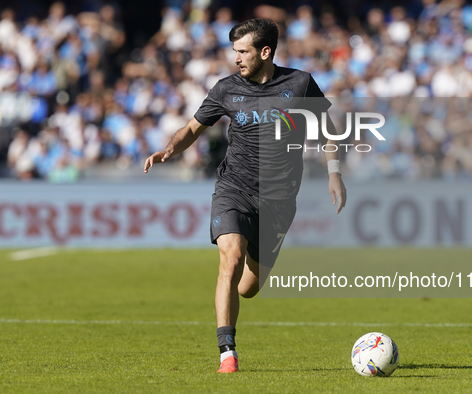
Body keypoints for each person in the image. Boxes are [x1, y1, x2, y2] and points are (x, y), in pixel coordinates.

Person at [143, 18, 346, 373]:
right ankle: (227, 354)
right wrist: (169, 149)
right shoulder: (226, 89)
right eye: (233, 51)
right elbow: (193, 128)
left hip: (279, 199)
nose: (235, 58)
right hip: (233, 188)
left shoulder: (299, 83)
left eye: (242, 51)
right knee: (230, 257)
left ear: (265, 52)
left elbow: (328, 127)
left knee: (248, 287)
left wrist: (334, 173)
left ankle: (246, 283)